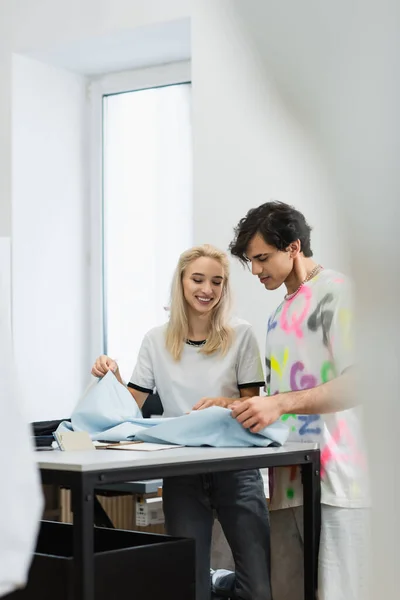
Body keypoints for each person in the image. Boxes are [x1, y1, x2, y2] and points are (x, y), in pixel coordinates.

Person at [92, 244, 272, 600]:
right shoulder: (156, 340)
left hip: (236, 467)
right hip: (183, 471)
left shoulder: (241, 334)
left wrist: (222, 403)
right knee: (190, 588)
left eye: (217, 282)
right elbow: (129, 407)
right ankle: (212, 581)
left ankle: (219, 580)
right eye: (198, 279)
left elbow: (255, 403)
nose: (207, 289)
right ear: (181, 282)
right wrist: (110, 376)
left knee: (258, 591)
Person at [228, 201, 369, 600]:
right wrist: (237, 408)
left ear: (293, 247)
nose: (255, 271)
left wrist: (281, 404)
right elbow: (281, 399)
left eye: (261, 258)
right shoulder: (277, 315)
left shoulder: (338, 294)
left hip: (341, 481)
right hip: (288, 482)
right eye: (250, 261)